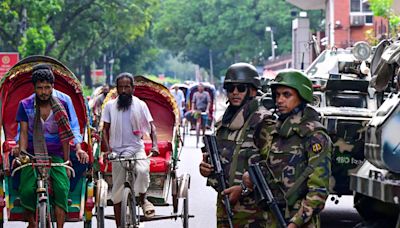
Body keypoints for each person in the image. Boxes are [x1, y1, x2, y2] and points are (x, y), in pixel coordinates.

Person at [241, 70, 332, 228]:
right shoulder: (274, 130)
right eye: (277, 95)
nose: (280, 100)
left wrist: (295, 223)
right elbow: (267, 169)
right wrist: (248, 182)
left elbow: (318, 191)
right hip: (271, 218)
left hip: (299, 222)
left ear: (301, 96)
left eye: (286, 94)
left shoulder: (314, 136)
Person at [199, 62, 272, 227]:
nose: (235, 93)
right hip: (225, 205)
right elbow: (214, 159)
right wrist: (205, 168)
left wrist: (244, 188)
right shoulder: (223, 123)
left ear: (252, 90)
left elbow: (273, 166)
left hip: (253, 212)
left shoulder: (263, 122)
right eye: (230, 88)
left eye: (241, 88)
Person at [15, 64, 76, 228]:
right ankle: (33, 223)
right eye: (40, 88)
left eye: (47, 87)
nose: (43, 92)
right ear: (34, 88)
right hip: (32, 154)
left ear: (52, 87)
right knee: (26, 190)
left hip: (55, 155)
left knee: (62, 189)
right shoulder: (25, 105)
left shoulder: (62, 105)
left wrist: (66, 160)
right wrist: (22, 153)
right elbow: (23, 132)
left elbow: (65, 137)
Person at [101, 72, 159, 226]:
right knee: (118, 192)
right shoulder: (109, 106)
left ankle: (142, 198)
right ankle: (119, 224)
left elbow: (152, 126)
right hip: (117, 152)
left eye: (127, 87)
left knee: (142, 171)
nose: (124, 90)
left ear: (133, 88)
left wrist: (154, 145)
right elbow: (104, 130)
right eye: (121, 87)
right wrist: (107, 150)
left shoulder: (141, 105)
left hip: (136, 148)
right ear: (117, 89)